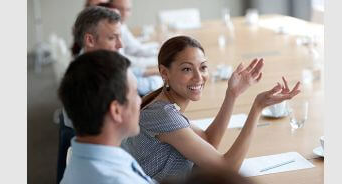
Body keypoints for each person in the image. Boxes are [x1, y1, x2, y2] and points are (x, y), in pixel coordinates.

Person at [121, 35, 301, 181]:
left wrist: (232, 95)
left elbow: (208, 142)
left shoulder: (160, 103)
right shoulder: (164, 115)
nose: (199, 77)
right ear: (164, 73)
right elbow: (227, 169)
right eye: (186, 69)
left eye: (203, 67)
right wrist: (257, 108)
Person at [58, 50, 154, 184]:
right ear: (116, 111)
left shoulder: (88, 155)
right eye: (135, 93)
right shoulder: (117, 180)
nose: (140, 101)